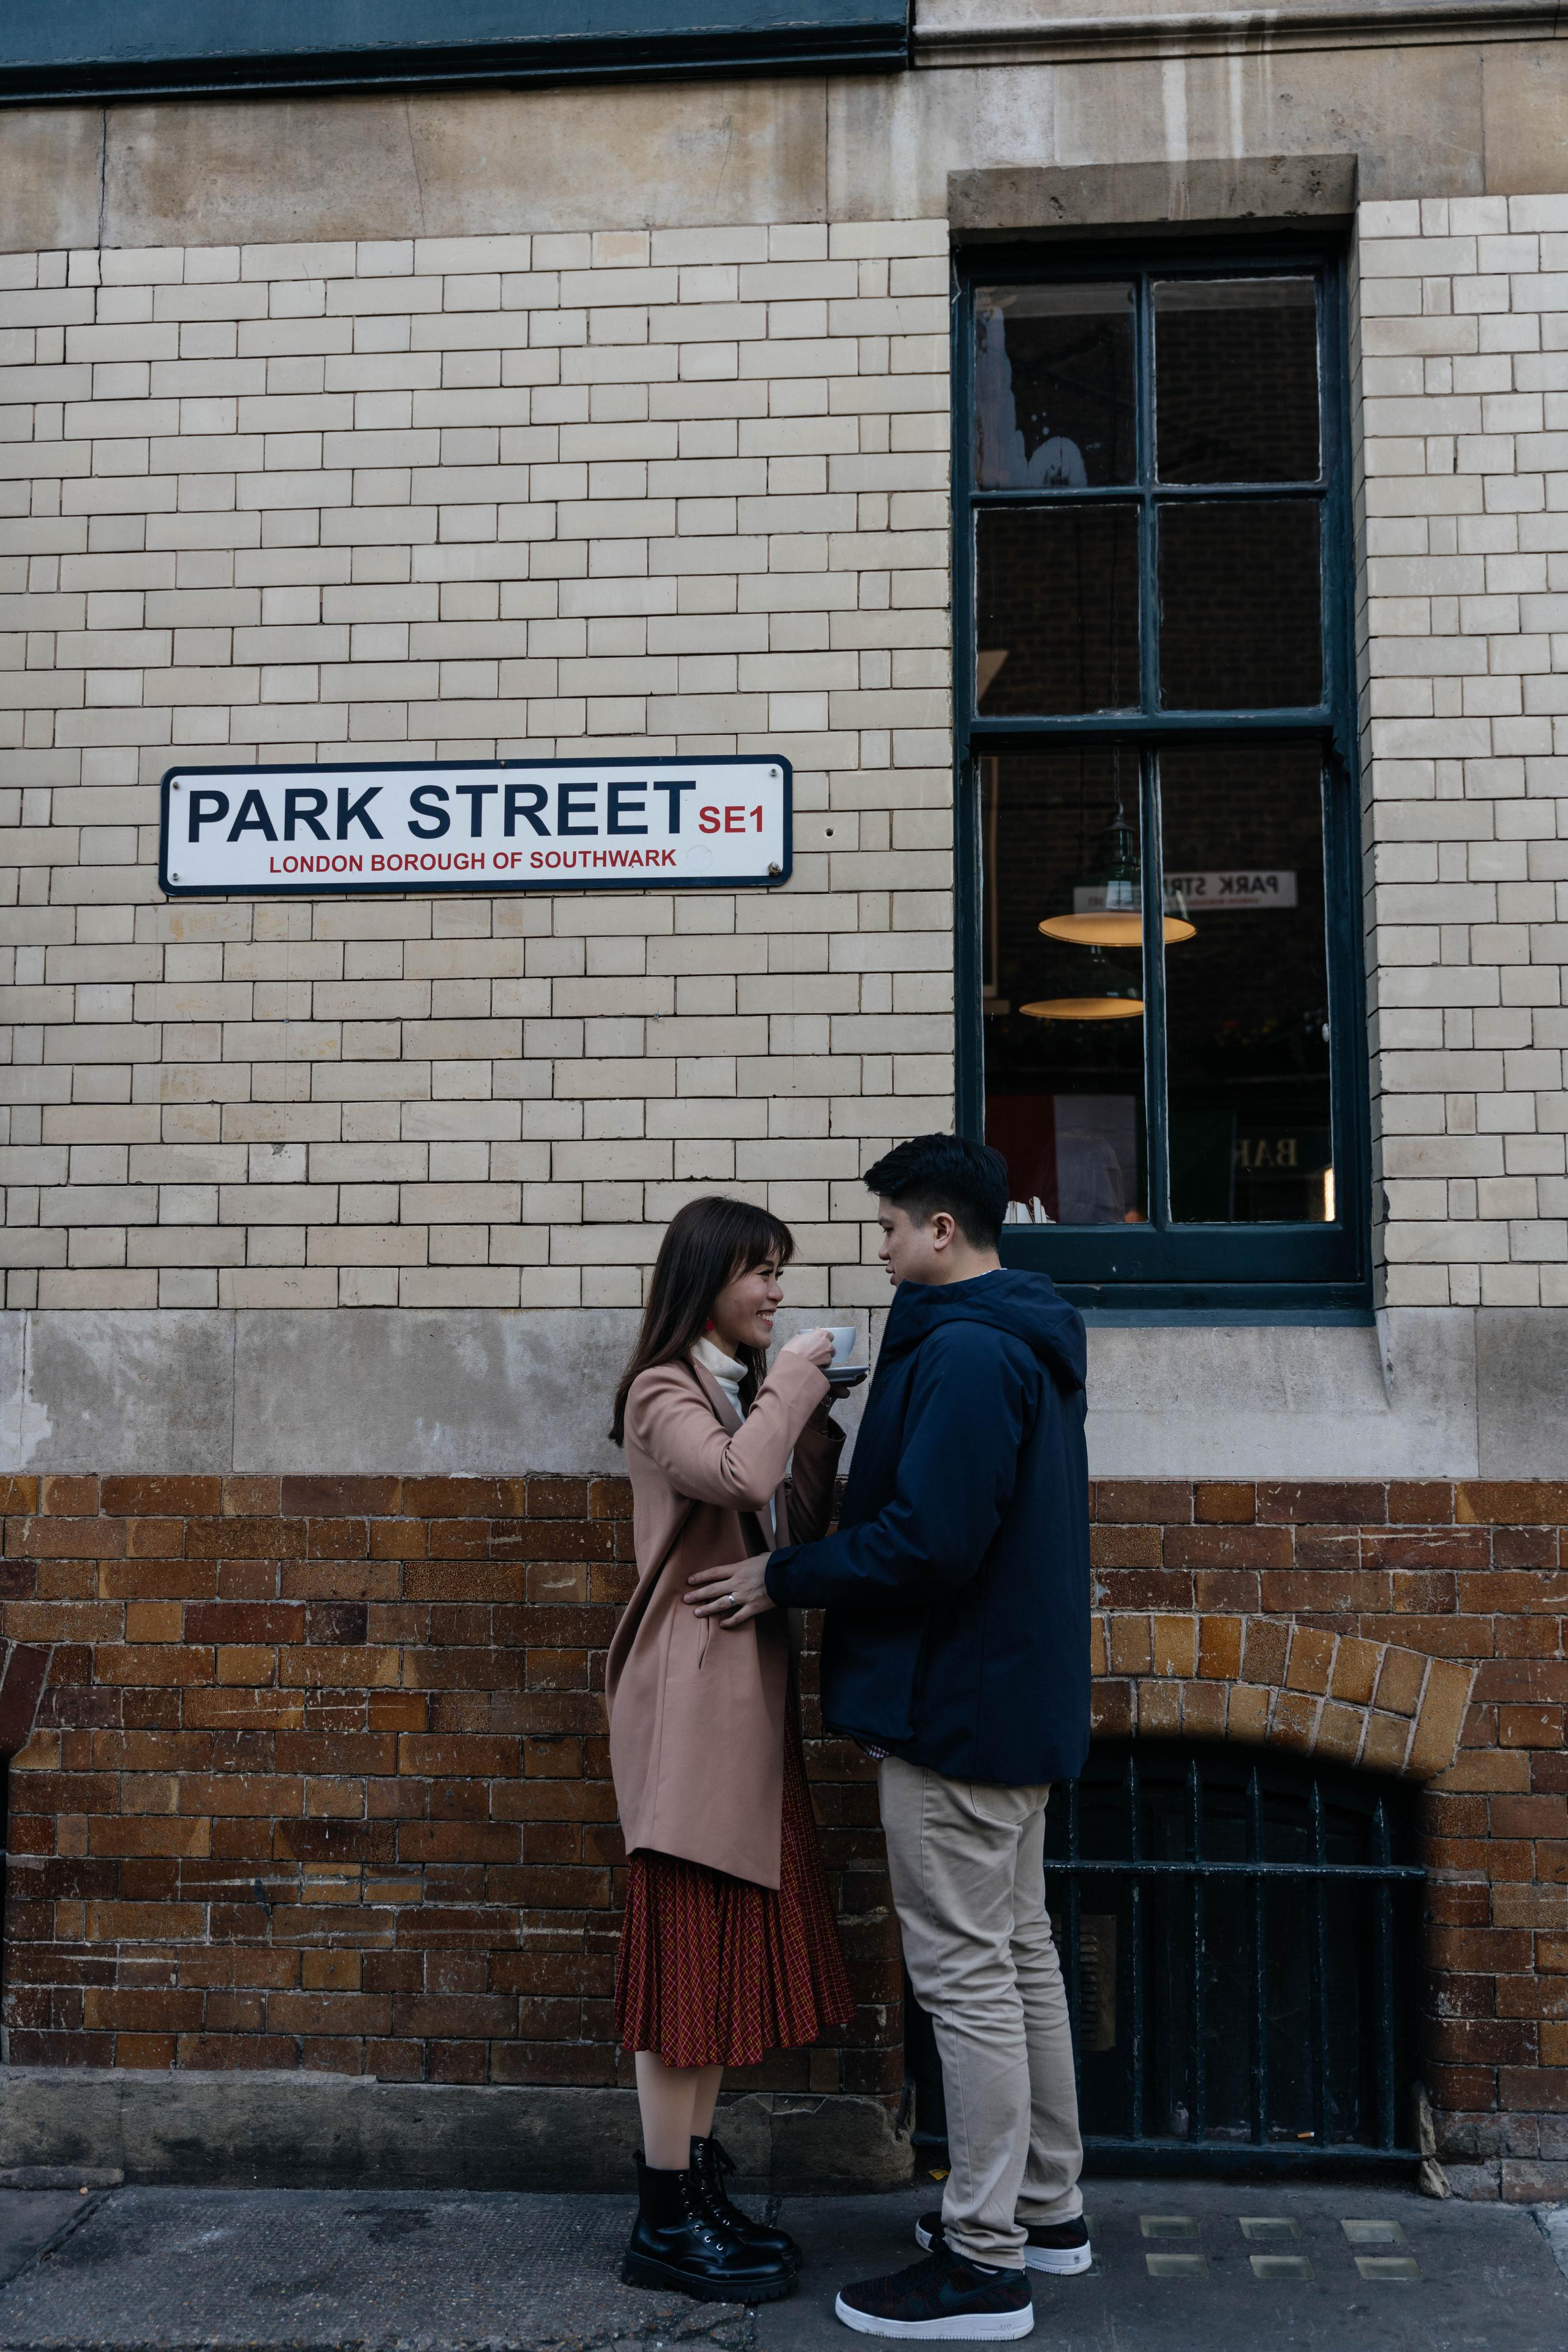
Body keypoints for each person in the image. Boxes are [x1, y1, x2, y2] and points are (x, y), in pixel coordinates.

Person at [685, 1136, 1091, 2343]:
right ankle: (1044, 2212)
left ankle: (982, 2264)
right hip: (1000, 1702)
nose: (878, 1248)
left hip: (954, 1710)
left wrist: (782, 1573)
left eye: (889, 1228)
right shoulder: (1010, 1336)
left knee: (968, 1978)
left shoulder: (967, 1351)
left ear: (942, 1234)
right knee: (1015, 1954)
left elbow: (929, 1542)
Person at [605, 1194, 856, 2305]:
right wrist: (793, 1382)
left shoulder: (740, 1391)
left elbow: (791, 1518)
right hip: (687, 1714)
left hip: (742, 1713)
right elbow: (736, 1481)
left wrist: (798, 1409)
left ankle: (697, 2193)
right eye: (760, 1271)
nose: (777, 1292)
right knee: (681, 1980)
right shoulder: (660, 1390)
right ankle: (663, 2222)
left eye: (782, 1273)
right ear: (705, 1277)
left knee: (711, 1980)